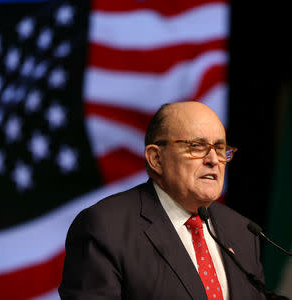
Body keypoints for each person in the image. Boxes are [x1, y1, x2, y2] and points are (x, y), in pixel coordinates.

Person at [58, 101, 266, 300]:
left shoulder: (243, 232)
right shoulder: (104, 228)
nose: (213, 160)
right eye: (196, 146)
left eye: (219, 148)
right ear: (156, 159)